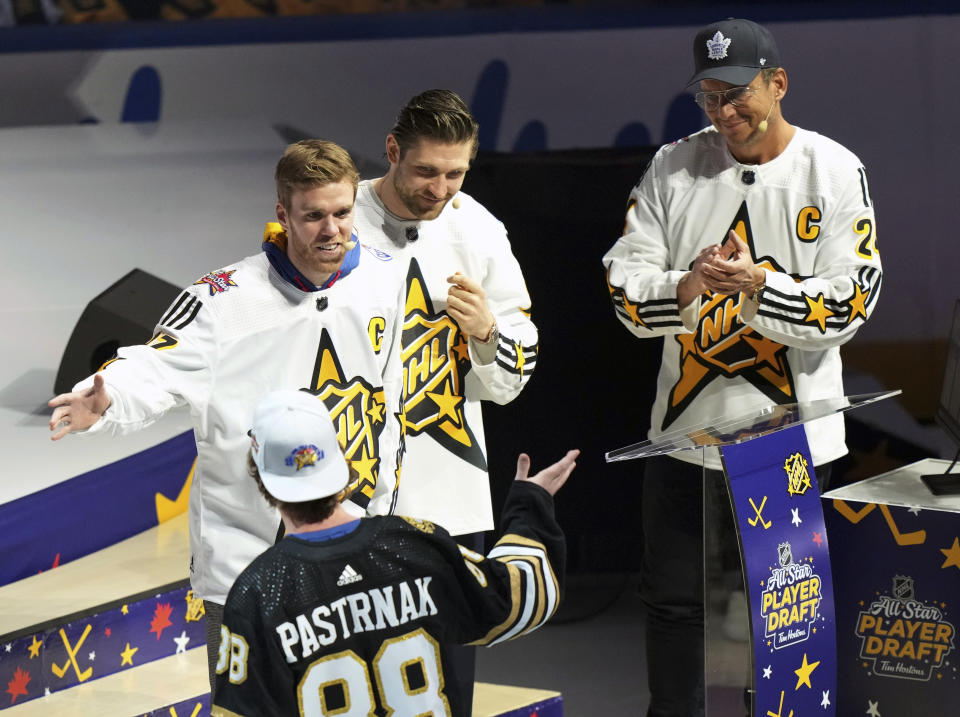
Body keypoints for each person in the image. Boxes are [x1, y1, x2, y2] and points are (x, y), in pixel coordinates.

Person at [48, 139, 406, 694]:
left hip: (354, 551)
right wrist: (107, 399)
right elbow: (154, 366)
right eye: (313, 216)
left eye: (342, 212)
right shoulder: (222, 299)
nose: (332, 229)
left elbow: (391, 410)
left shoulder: (385, 278)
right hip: (247, 566)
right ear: (282, 215)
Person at [602, 18, 882, 717]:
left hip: (788, 441)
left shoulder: (833, 169)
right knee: (672, 606)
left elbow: (854, 300)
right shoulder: (673, 165)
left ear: (778, 83)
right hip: (683, 439)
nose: (724, 113)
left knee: (787, 615)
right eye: (709, 98)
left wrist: (762, 287)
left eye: (738, 94)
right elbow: (622, 287)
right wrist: (688, 287)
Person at [211, 389, 577, 717]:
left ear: (260, 476)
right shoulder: (416, 545)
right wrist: (530, 509)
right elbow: (521, 595)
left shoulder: (258, 592)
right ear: (341, 459)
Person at [353, 88, 539, 704]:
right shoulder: (336, 217)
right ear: (391, 151)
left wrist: (487, 333)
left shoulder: (480, 230)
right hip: (345, 499)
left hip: (447, 499)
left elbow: (517, 372)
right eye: (426, 171)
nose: (439, 189)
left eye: (455, 173)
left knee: (446, 688)